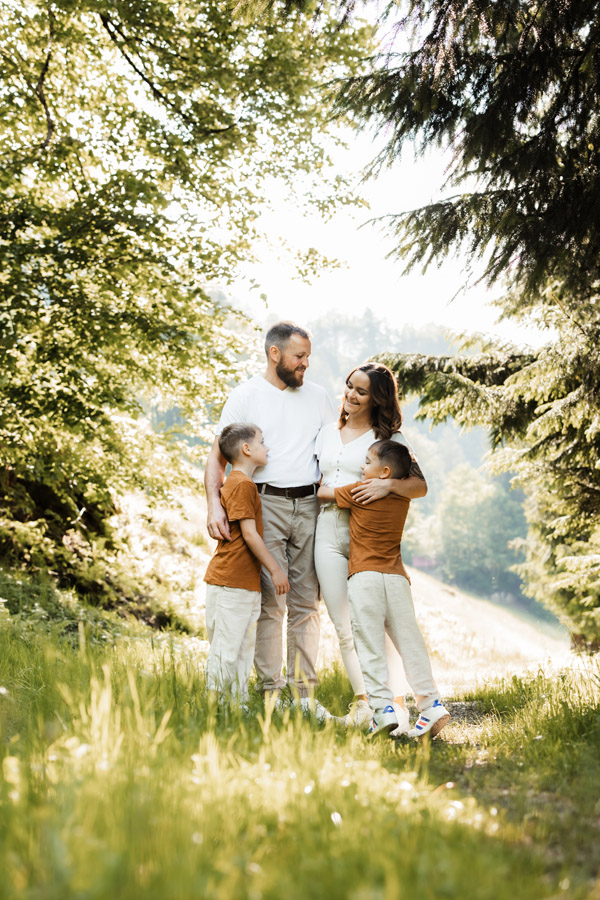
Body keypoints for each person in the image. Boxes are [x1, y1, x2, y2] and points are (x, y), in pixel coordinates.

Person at [204, 322, 337, 721]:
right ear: (275, 354)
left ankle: (304, 698)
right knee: (270, 604)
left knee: (305, 605)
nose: (305, 364)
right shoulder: (245, 395)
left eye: (308, 356)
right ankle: (270, 693)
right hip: (265, 505)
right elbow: (217, 454)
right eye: (299, 356)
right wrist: (214, 503)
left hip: (311, 506)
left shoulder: (318, 397)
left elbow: (334, 451)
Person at [314, 362, 428, 734]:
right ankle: (368, 705)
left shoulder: (389, 438)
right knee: (345, 625)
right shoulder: (327, 432)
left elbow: (419, 486)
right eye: (349, 386)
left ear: (377, 399)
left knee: (376, 625)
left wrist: (388, 486)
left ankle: (393, 704)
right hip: (327, 529)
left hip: (368, 535)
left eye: (361, 391)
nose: (350, 395)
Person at [318, 439, 451, 738]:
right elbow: (414, 484)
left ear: (384, 471)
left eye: (367, 462)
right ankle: (430, 704)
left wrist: (323, 479)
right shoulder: (402, 497)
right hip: (396, 578)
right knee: (410, 641)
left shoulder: (358, 491)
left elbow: (322, 493)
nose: (362, 467)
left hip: (364, 578)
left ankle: (382, 709)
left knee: (369, 644)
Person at [203, 423, 289, 701]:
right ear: (247, 449)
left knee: (242, 647)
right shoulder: (241, 484)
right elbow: (250, 535)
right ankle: (211, 706)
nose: (267, 448)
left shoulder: (241, 483)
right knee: (226, 648)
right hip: (232, 581)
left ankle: (236, 705)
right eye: (262, 442)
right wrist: (276, 570)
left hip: (242, 582)